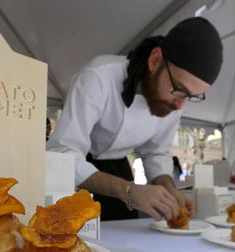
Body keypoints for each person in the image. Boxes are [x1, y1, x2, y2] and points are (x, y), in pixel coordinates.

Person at [48, 17, 223, 221]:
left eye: (192, 96)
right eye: (180, 90)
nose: (180, 105)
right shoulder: (98, 77)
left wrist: (169, 189)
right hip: (76, 176)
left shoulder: (175, 99)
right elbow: (63, 153)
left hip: (119, 172)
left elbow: (156, 152)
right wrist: (128, 191)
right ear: (155, 60)